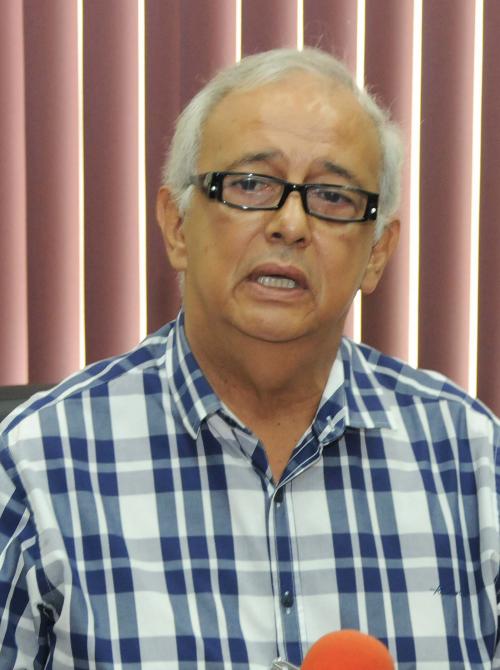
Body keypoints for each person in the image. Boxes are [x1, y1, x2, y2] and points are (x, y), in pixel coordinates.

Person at [0, 47, 498, 669]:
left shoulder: (472, 461)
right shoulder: (36, 467)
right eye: (251, 185)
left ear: (377, 252)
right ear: (177, 226)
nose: (291, 225)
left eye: (333, 197)